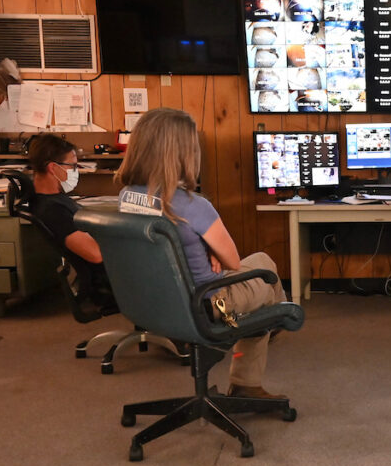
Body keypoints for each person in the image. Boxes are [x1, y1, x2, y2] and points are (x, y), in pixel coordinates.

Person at [116, 108, 287, 400]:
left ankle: (262, 328)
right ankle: (264, 340)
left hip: (154, 302)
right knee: (267, 287)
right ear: (183, 153)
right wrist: (209, 248)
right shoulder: (193, 205)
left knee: (260, 262)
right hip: (208, 302)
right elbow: (232, 261)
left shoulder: (127, 197)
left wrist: (201, 246)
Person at [28, 134, 102, 266]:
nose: (76, 171)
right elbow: (95, 254)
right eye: (73, 166)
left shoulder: (56, 198)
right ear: (53, 168)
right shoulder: (52, 210)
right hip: (104, 278)